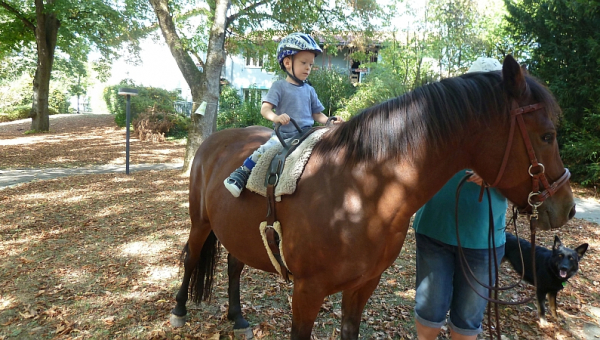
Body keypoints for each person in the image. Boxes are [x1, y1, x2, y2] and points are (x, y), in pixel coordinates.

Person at [412, 58, 507, 340]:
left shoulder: (509, 131)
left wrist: (497, 176)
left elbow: (524, 178)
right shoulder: (443, 120)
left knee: (467, 319)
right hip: (435, 231)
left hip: (483, 240)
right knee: (429, 310)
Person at [224, 32, 342, 197]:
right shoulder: (279, 86)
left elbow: (317, 114)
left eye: (310, 64)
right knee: (264, 151)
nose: (308, 67)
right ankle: (241, 174)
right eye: (304, 62)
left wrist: (330, 122)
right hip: (283, 136)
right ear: (287, 62)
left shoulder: (309, 90)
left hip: (307, 134)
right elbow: (265, 109)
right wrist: (276, 117)